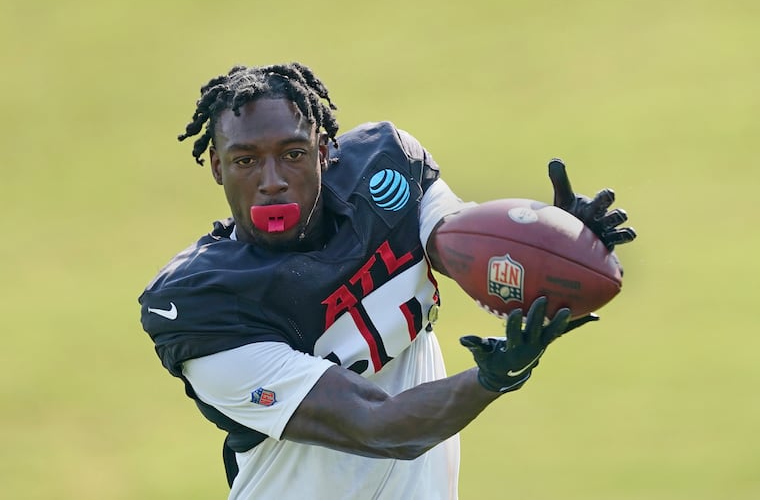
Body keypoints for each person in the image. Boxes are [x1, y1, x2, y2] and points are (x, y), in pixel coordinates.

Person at [138, 62, 636, 499]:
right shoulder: (205, 305)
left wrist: (555, 244)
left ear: (325, 150)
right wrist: (495, 376)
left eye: (292, 153)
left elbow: (457, 244)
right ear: (217, 167)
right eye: (246, 161)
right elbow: (381, 426)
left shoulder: (386, 172)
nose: (272, 180)